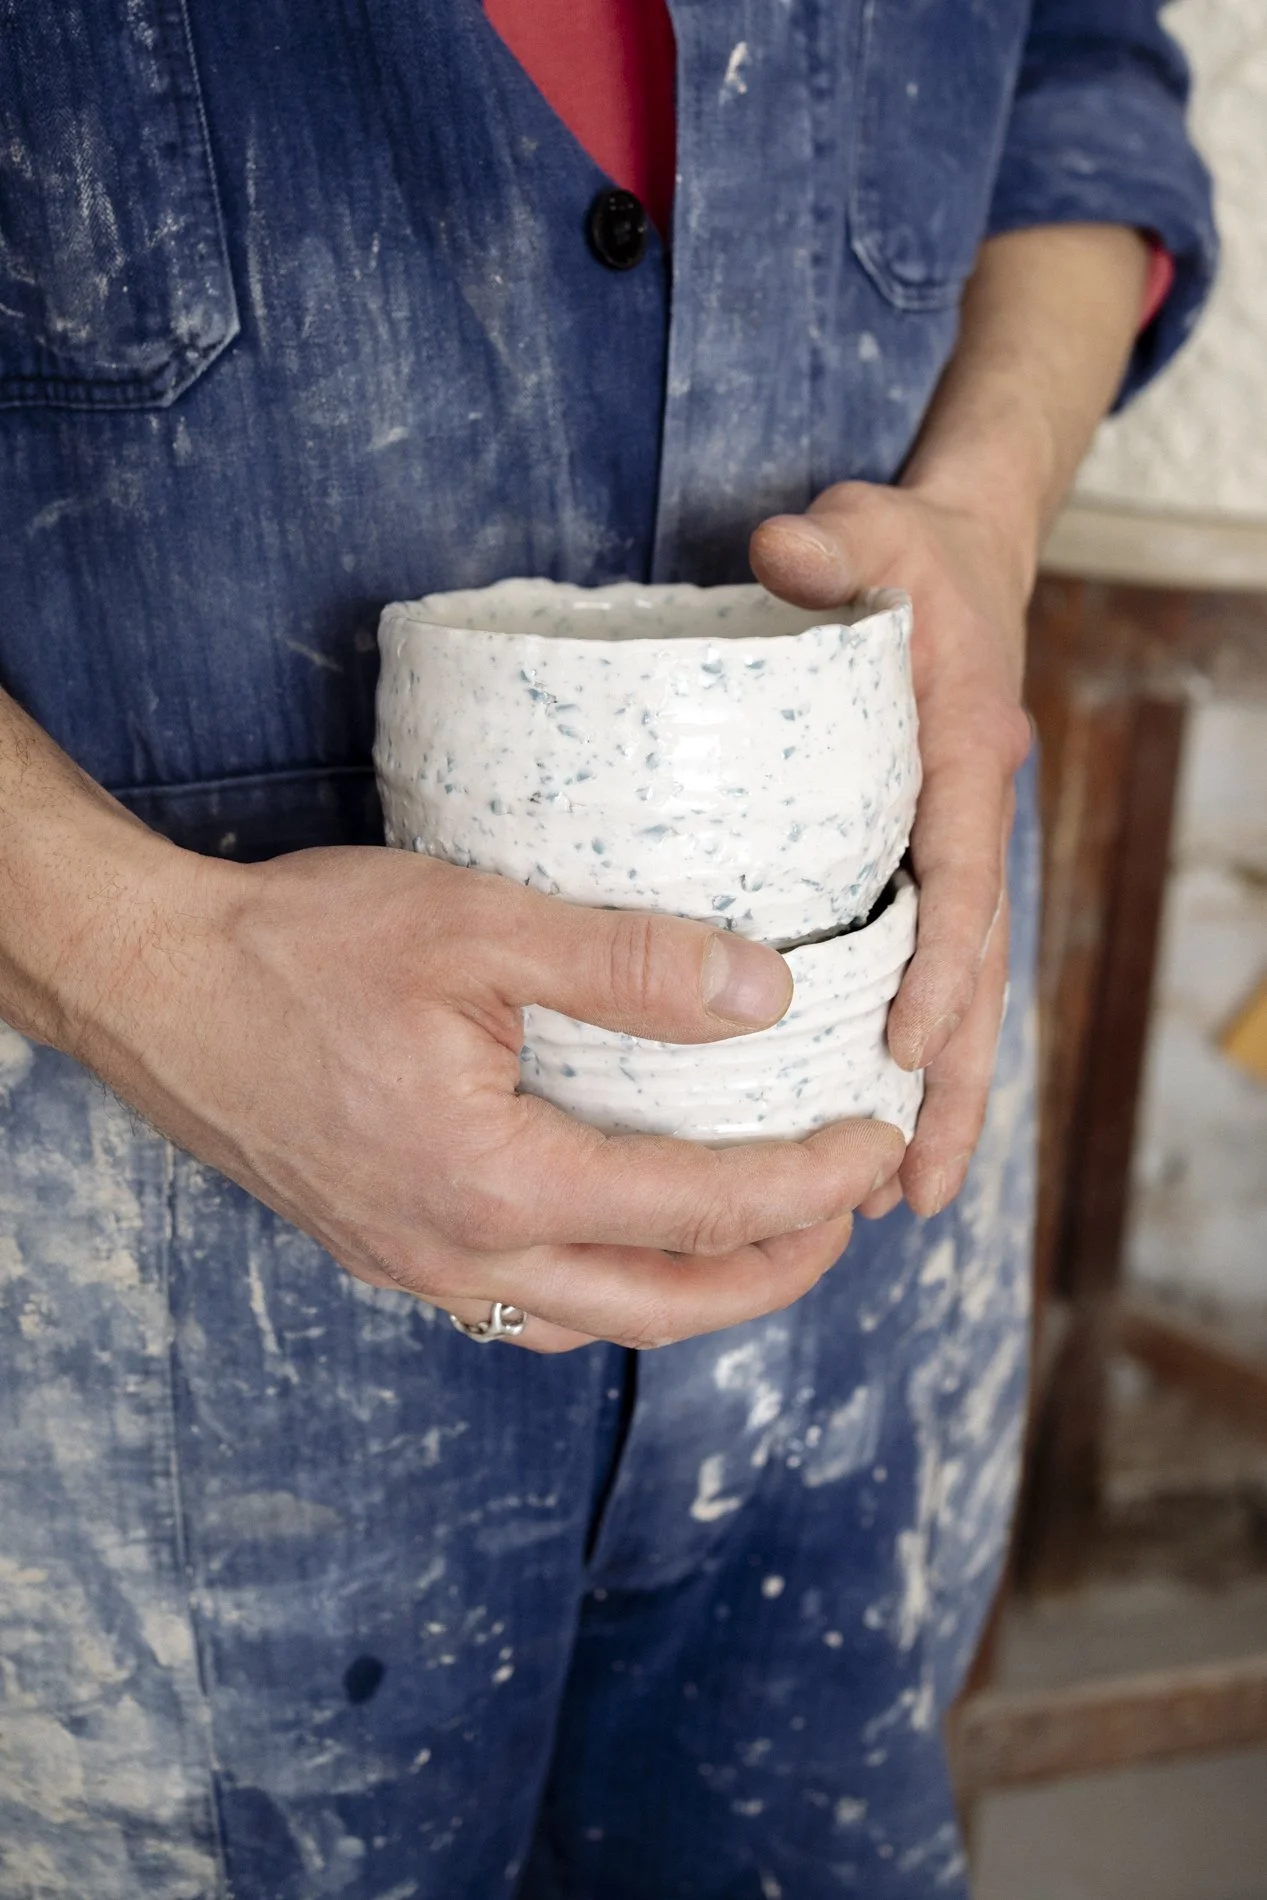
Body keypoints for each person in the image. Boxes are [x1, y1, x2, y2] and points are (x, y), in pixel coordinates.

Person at [0, 2, 1214, 1895]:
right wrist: (127, 949)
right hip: (143, 1289)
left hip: (857, 1184)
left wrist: (982, 513)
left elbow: (1077, 73)